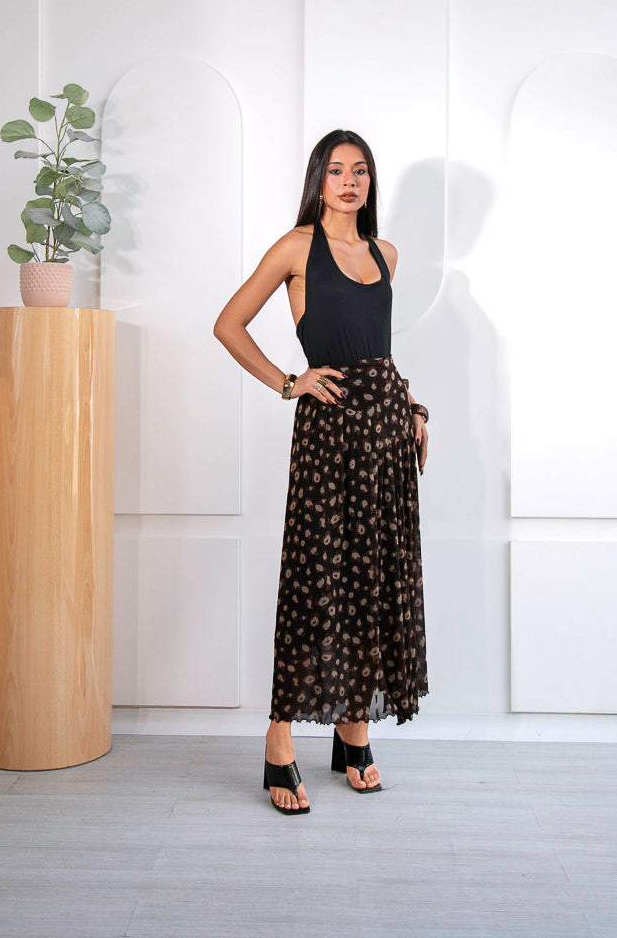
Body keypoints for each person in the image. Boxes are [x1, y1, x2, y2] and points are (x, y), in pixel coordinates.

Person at [213, 129, 429, 816]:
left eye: (360, 170)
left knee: (372, 580)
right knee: (315, 581)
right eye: (336, 170)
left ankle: (353, 728)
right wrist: (289, 382)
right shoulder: (295, 247)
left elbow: (379, 353)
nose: (349, 181)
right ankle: (280, 737)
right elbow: (228, 324)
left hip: (386, 433)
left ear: (370, 181)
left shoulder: (386, 254)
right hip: (329, 435)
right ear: (319, 180)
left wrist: (412, 407)